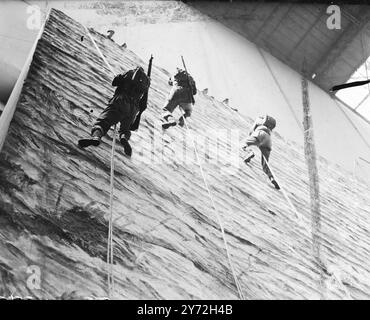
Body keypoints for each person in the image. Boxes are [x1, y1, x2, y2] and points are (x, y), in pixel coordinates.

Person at [78, 66, 150, 157]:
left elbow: (114, 82)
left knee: (102, 123)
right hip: (133, 109)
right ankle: (124, 138)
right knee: (125, 130)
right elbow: (143, 105)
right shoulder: (146, 83)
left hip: (121, 102)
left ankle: (96, 137)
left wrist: (119, 77)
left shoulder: (130, 72)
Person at [242, 115, 280, 190]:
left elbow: (251, 130)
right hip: (268, 140)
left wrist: (251, 135)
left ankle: (249, 152)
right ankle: (272, 178)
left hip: (259, 133)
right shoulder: (269, 129)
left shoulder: (259, 121)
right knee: (265, 164)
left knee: (243, 145)